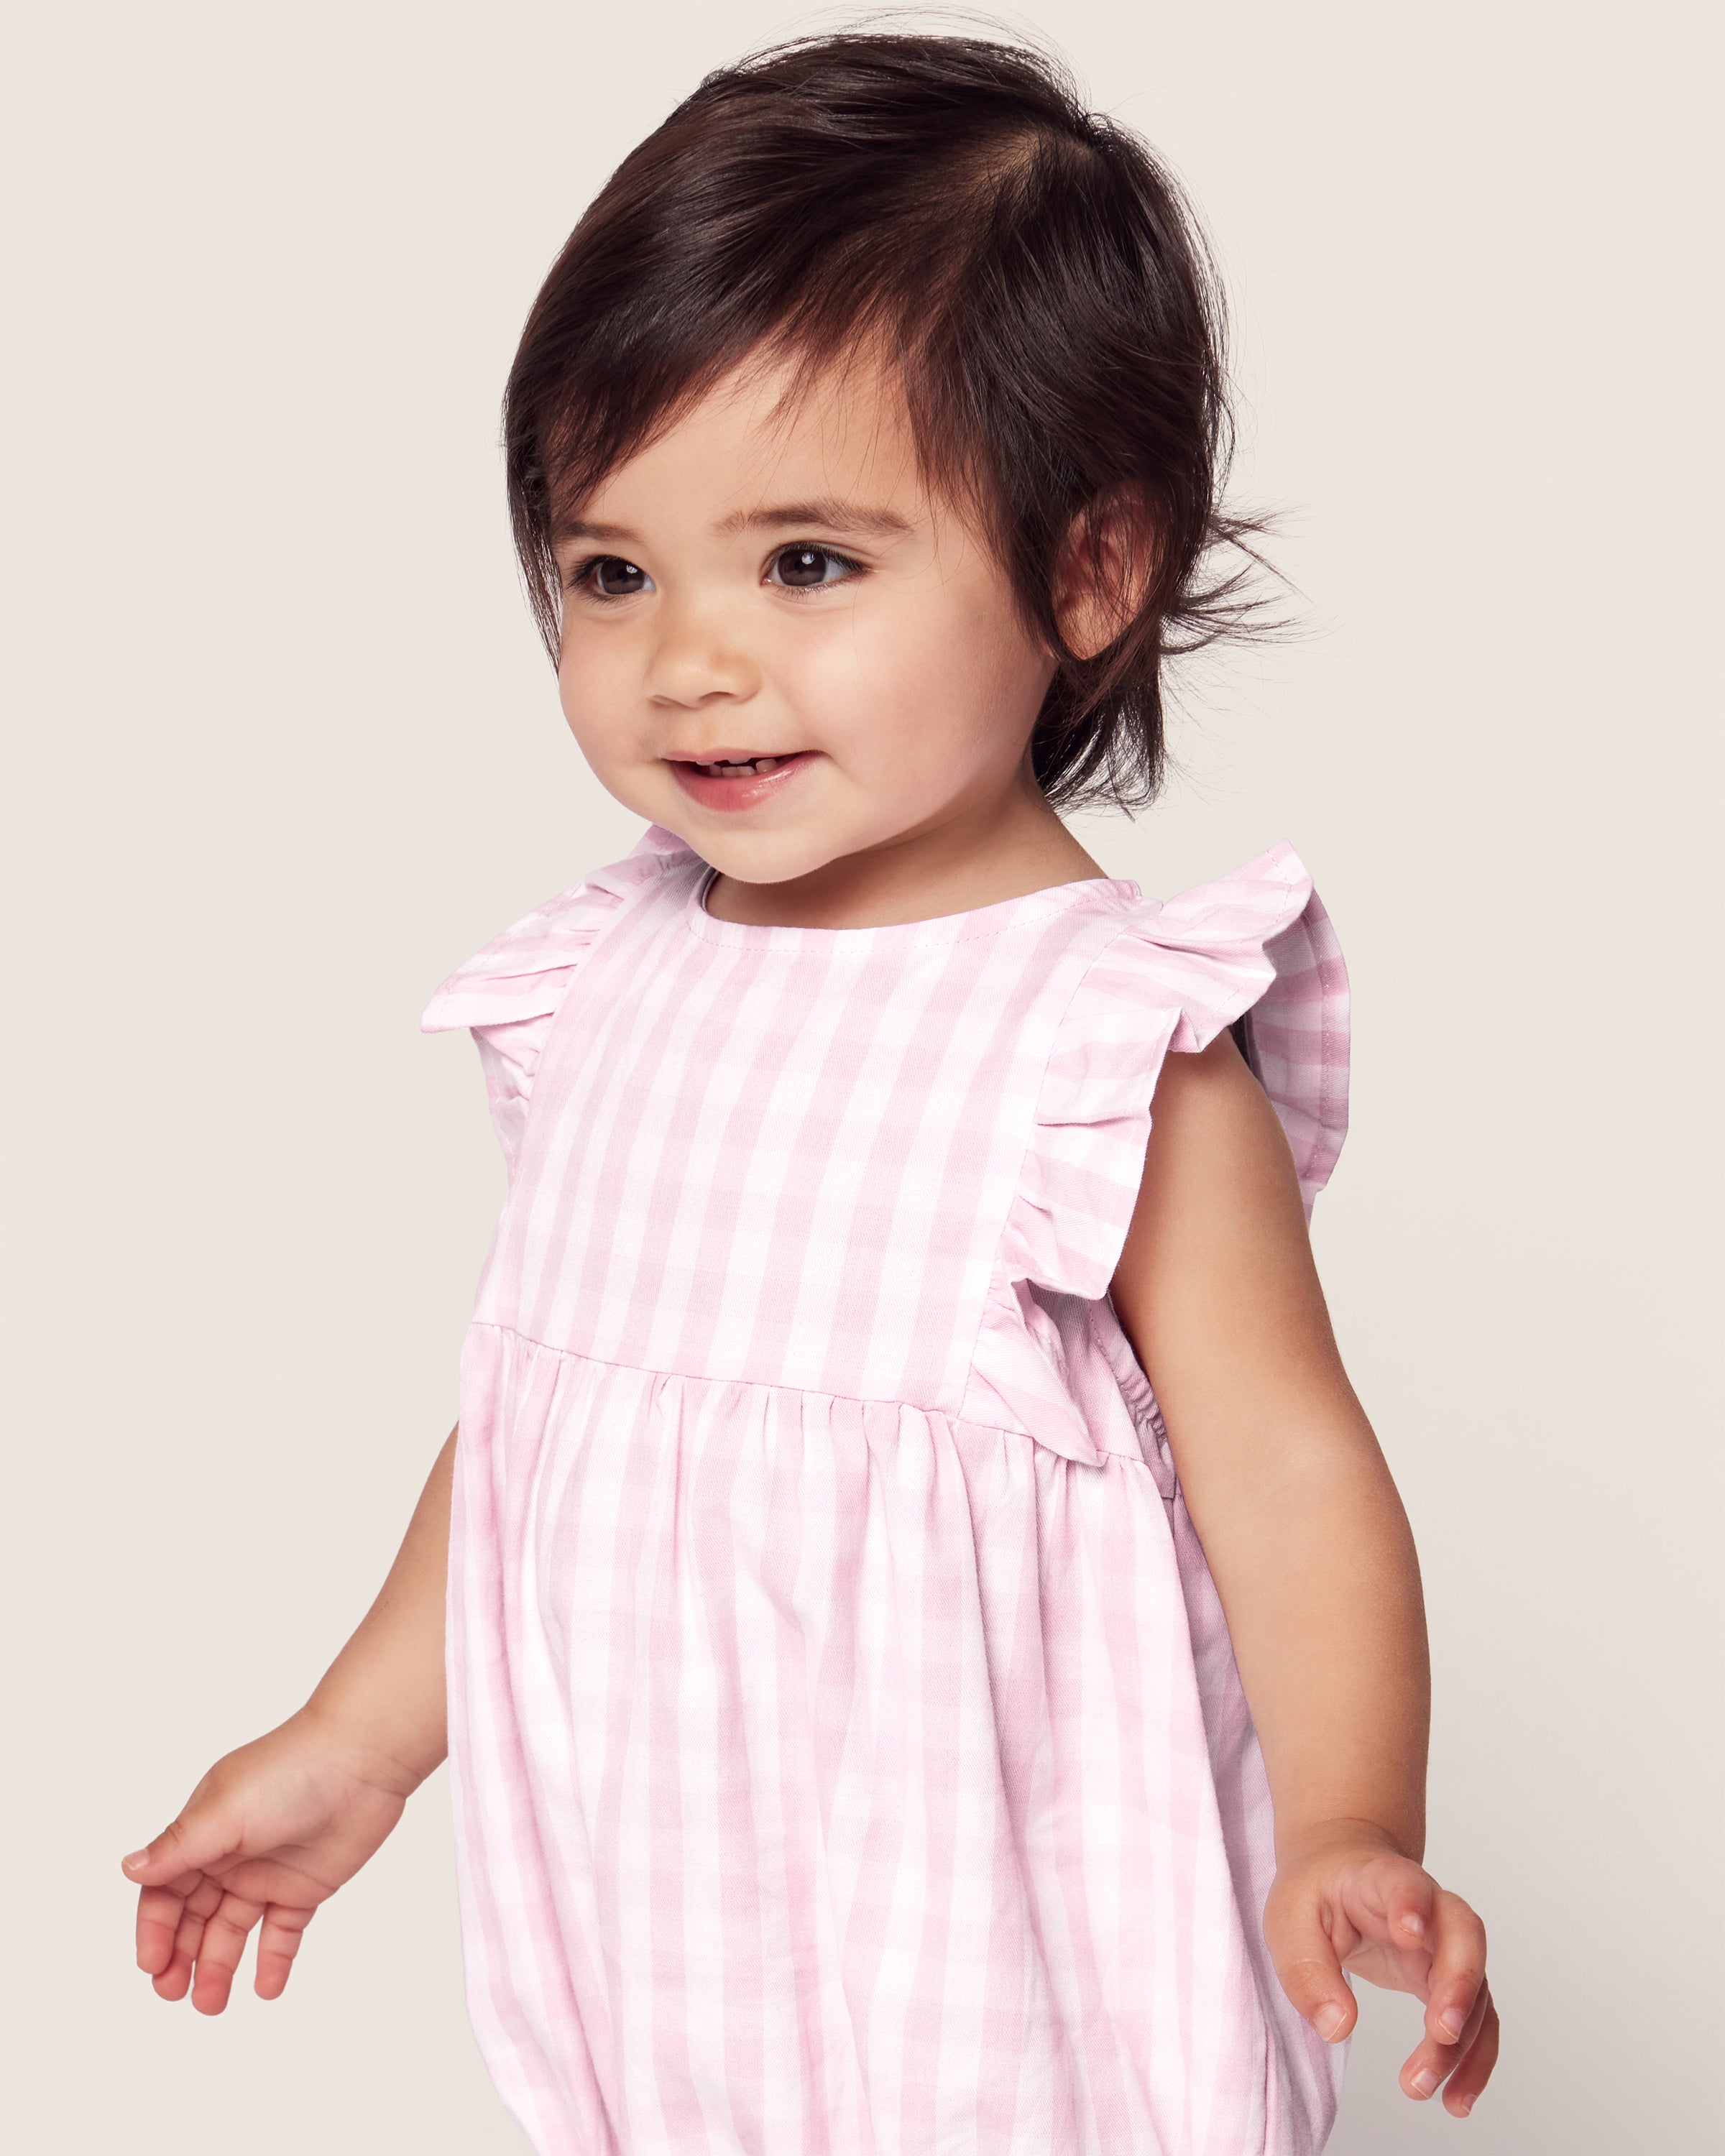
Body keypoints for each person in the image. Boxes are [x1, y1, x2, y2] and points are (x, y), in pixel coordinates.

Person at [119, 31, 1496, 2155]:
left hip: (1004, 1976)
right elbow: (551, 1410)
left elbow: (1295, 1476)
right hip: (673, 1962)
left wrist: (1346, 1819)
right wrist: (362, 1739)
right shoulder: (607, 982)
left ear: (1088, 572)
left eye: (810, 565)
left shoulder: (1102, 1046)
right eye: (610, 573)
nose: (692, 659)